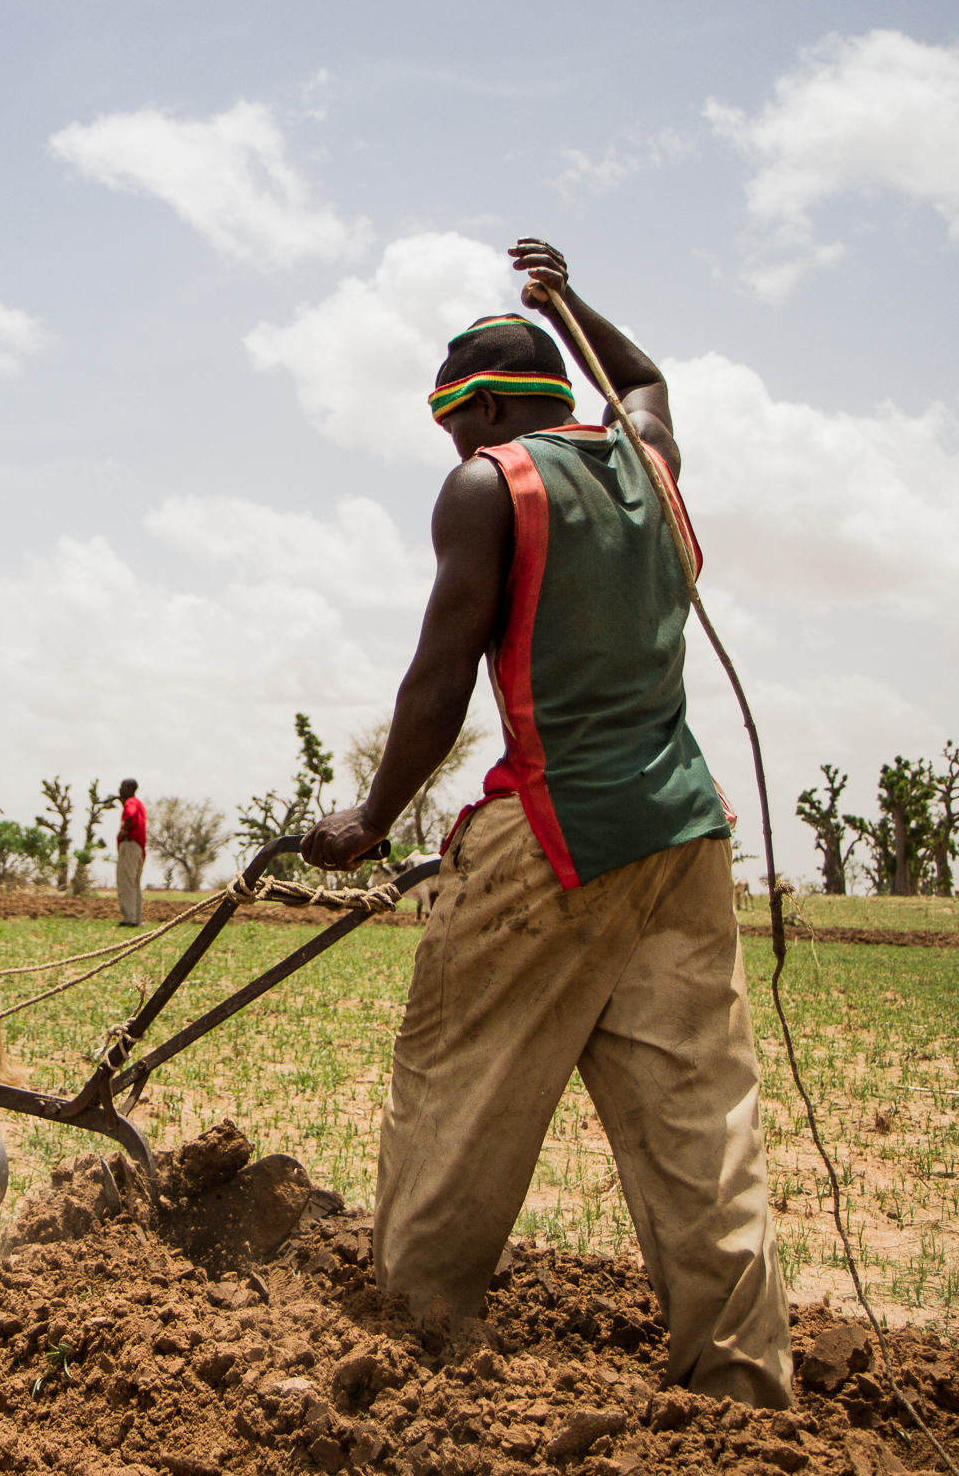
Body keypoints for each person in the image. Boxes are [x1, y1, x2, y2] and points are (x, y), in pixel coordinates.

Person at [301, 238, 793, 1408]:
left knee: (454, 1082)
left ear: (480, 410)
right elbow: (647, 383)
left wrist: (370, 819)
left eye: (454, 425)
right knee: (698, 1124)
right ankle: (737, 1388)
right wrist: (568, 301)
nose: (455, 450)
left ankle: (413, 1346)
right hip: (682, 831)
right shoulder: (646, 458)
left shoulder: (489, 485)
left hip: (556, 830)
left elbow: (439, 677)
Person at [115, 779, 146, 927]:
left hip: (129, 845)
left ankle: (129, 918)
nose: (120, 790)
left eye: (122, 787)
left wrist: (124, 830)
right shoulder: (139, 803)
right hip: (138, 848)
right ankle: (137, 918)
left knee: (125, 882)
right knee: (134, 884)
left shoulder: (131, 803)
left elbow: (130, 814)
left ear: (128, 788)